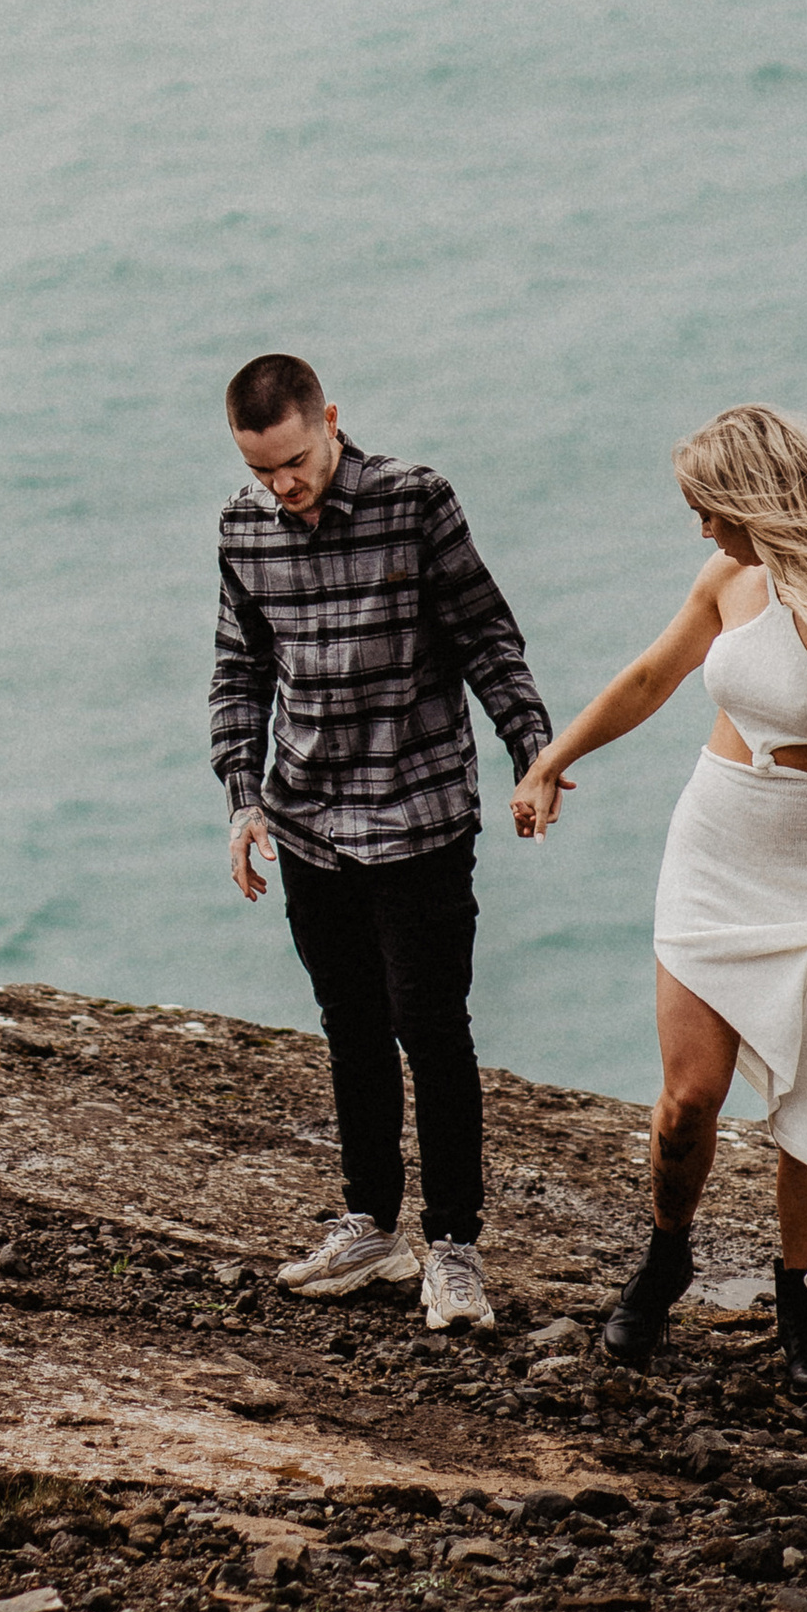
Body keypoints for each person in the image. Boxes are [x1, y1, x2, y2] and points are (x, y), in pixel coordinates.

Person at [511, 403, 807, 1399]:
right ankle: (665, 1256)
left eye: (708, 508)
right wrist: (549, 761)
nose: (699, 528)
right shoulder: (728, 576)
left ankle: (797, 1301)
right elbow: (653, 673)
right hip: (712, 847)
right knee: (687, 1102)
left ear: (753, 500)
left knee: (806, 1104)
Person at [211, 352, 556, 1334]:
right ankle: (371, 1221)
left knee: (430, 1025)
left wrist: (533, 751)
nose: (282, 484)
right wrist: (244, 800)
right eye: (262, 468)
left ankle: (451, 1243)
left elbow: (488, 635)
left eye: (293, 460)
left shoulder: (414, 500)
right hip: (309, 819)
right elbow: (240, 673)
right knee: (349, 1024)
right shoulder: (244, 529)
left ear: (330, 419)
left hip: (419, 810)